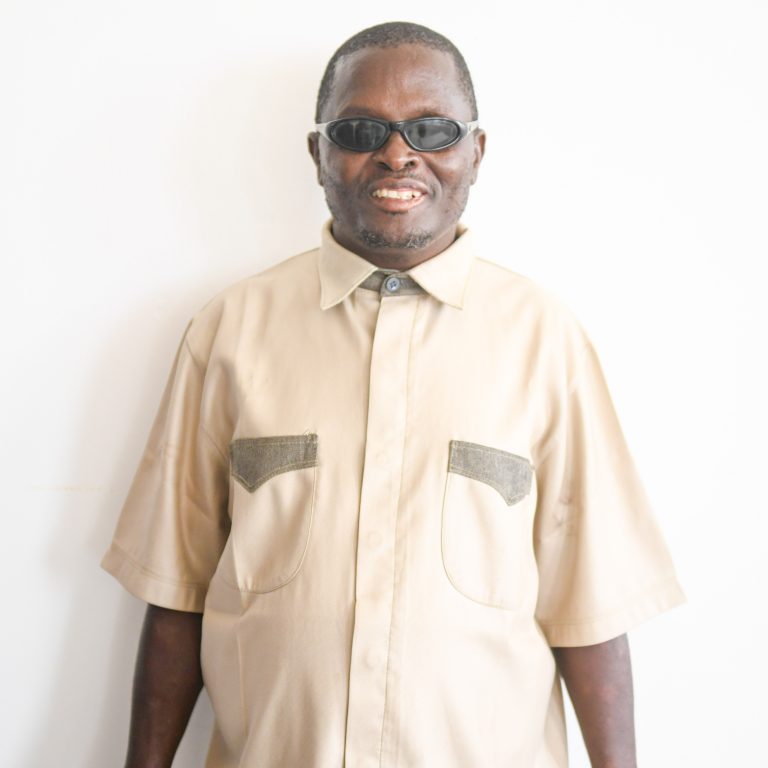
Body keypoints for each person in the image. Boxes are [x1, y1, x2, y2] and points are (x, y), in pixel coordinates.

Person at [102, 21, 685, 768]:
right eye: (360, 130)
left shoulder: (546, 340)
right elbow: (175, 592)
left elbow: (591, 607)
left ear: (476, 151)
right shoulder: (229, 331)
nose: (398, 153)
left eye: (432, 129)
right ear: (318, 153)